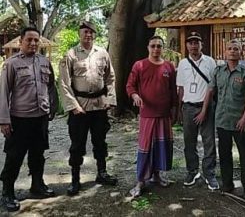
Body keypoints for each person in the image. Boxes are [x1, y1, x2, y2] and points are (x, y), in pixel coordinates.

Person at [0, 27, 58, 212]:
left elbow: (51, 87)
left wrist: (52, 107)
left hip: (40, 119)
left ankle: (37, 185)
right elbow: (3, 93)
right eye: (29, 40)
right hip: (19, 119)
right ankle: (7, 192)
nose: (33, 43)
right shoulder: (11, 64)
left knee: (38, 155)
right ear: (21, 42)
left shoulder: (44, 62)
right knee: (14, 157)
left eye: (36, 40)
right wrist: (3, 120)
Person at [59, 21, 117, 196]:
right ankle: (75, 180)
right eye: (85, 32)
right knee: (77, 145)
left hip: (99, 106)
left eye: (91, 32)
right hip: (80, 108)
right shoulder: (70, 55)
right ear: (79, 34)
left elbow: (110, 78)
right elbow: (63, 83)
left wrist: (110, 99)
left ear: (95, 35)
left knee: (100, 142)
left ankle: (102, 173)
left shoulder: (102, 53)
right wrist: (73, 106)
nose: (88, 35)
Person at [196, 39, 245, 200]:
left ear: (240, 52)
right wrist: (203, 111)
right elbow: (210, 91)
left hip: (239, 122)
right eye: (229, 49)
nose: (232, 51)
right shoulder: (218, 71)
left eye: (236, 49)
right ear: (225, 53)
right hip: (222, 120)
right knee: (224, 154)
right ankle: (228, 184)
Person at [126, 36, 177, 197]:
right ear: (148, 47)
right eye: (153, 46)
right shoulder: (140, 65)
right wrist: (135, 96)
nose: (156, 49)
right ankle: (141, 180)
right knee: (146, 148)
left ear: (163, 48)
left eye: (159, 46)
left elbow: (173, 91)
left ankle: (156, 175)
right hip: (147, 114)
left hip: (164, 114)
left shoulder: (169, 67)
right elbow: (130, 85)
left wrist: (175, 110)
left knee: (161, 147)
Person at [176, 32, 219, 190]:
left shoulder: (210, 62)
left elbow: (212, 87)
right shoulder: (182, 64)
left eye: (196, 42)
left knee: (209, 142)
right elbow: (180, 88)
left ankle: (209, 173)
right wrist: (180, 109)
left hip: (206, 106)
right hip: (188, 107)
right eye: (191, 42)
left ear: (202, 45)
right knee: (189, 142)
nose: (193, 45)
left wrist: (204, 110)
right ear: (187, 45)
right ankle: (192, 171)